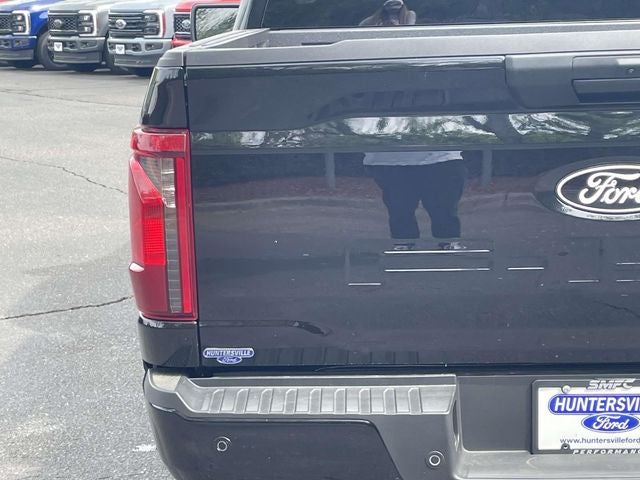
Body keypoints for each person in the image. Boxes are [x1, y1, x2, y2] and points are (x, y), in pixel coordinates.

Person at [364, 151, 466, 250]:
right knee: (399, 207)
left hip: (442, 158)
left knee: (443, 207)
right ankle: (403, 242)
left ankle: (449, 241)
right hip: (389, 160)